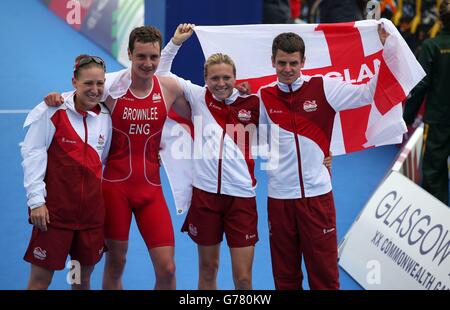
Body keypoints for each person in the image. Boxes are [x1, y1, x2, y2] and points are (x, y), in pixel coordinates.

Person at [156, 24, 333, 289]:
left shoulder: (254, 103)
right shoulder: (197, 97)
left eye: (226, 78)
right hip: (205, 196)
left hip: (241, 198)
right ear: (205, 79)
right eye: (214, 78)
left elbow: (290, 129)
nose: (221, 84)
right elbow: (161, 78)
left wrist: (321, 152)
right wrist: (175, 44)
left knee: (243, 278)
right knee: (207, 271)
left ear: (235, 78)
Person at [44, 26, 191, 289]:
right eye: (141, 57)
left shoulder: (169, 88)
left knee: (168, 269)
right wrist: (56, 98)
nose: (147, 64)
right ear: (130, 55)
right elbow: (80, 94)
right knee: (116, 263)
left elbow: (205, 107)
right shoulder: (112, 88)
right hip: (114, 189)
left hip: (151, 190)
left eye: (153, 57)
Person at [258, 27, 389, 289]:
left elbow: (367, 93)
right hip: (280, 199)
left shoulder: (323, 86)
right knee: (285, 277)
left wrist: (386, 52)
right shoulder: (263, 96)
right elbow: (254, 141)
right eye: (281, 62)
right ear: (272, 62)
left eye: (293, 63)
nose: (287, 68)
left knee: (325, 277)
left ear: (303, 63)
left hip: (317, 198)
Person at [21, 55, 112, 290]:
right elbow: (33, 155)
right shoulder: (52, 112)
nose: (94, 90)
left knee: (80, 280)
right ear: (74, 82)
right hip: (54, 218)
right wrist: (37, 201)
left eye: (99, 83)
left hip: (90, 220)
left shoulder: (106, 117)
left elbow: (104, 160)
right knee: (40, 281)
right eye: (88, 84)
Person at [403, 0, 450, 206]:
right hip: (438, 119)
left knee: (434, 173)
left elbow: (420, 86)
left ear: (440, 19)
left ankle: (437, 219)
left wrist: (407, 117)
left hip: (438, 120)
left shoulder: (432, 46)